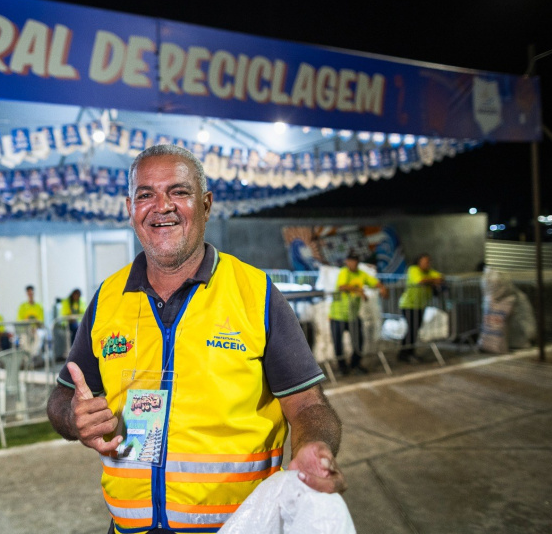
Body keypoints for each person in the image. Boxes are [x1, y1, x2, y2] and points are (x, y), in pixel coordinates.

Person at [47, 145, 345, 534]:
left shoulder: (256, 294)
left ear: (205, 204)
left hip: (239, 528)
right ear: (129, 209)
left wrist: (311, 448)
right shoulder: (108, 298)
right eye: (146, 194)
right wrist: (73, 418)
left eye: (179, 192)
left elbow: (308, 404)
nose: (162, 206)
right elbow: (62, 397)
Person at [328, 252, 388, 375]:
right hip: (337, 315)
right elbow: (342, 286)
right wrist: (359, 291)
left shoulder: (361, 274)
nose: (352, 263)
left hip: (353, 315)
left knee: (359, 342)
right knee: (338, 344)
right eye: (350, 261)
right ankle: (342, 367)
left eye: (355, 261)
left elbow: (373, 282)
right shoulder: (344, 272)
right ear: (347, 262)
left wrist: (382, 287)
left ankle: (355, 364)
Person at [398, 253, 444, 363]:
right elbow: (420, 280)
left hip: (420, 305)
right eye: (425, 261)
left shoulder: (429, 271)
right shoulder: (413, 269)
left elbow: (440, 277)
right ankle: (405, 353)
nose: (427, 264)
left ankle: (407, 352)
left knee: (414, 329)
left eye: (428, 262)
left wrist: (432, 279)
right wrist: (433, 281)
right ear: (418, 262)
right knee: (412, 329)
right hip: (409, 305)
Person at [17, 285, 45, 359]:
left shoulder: (39, 306)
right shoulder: (22, 306)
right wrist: (28, 327)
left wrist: (35, 327)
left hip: (37, 329)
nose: (30, 295)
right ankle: (27, 356)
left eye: (31, 293)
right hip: (26, 329)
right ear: (27, 294)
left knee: (38, 336)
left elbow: (41, 321)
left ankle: (34, 356)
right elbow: (20, 321)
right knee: (24, 338)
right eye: (29, 293)